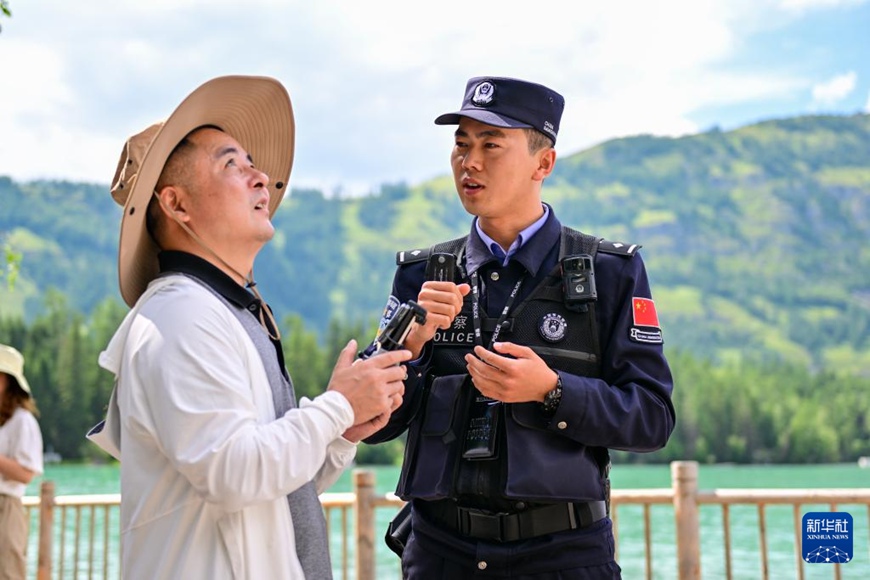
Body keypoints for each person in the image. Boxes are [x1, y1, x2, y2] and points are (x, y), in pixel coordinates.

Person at [87, 75, 411, 579]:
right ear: (176, 205)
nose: (260, 177)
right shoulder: (180, 316)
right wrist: (338, 405)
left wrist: (339, 431)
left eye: (251, 163)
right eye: (232, 165)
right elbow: (233, 472)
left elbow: (278, 489)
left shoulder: (223, 311)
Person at [366, 76, 676, 578]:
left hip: (564, 555)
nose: (470, 161)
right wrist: (413, 345)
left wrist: (553, 391)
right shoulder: (421, 274)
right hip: (441, 553)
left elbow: (653, 417)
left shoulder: (611, 272)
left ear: (543, 163)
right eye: (461, 144)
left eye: (491, 145)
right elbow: (373, 426)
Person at [0, 344, 44, 580]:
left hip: (6, 508)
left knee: (8, 573)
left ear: (7, 381)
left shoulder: (22, 420)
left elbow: (27, 473)